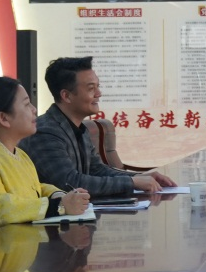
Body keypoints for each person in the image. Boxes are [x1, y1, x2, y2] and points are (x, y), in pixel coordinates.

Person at [0, 76, 91, 246]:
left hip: (11, 250)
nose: (34, 110)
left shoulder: (19, 154)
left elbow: (34, 188)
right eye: (26, 104)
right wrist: (59, 206)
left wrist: (59, 195)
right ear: (4, 118)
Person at [21, 56, 175, 198]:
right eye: (91, 88)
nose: (99, 93)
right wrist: (131, 182)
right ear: (66, 96)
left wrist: (138, 177)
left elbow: (97, 170)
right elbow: (70, 183)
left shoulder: (78, 127)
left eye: (98, 86)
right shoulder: (45, 132)